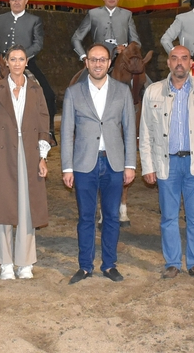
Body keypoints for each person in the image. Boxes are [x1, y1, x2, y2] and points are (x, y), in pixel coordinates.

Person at [140, 45, 194, 279]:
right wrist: (148, 166)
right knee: (168, 216)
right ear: (168, 63)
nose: (179, 63)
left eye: (184, 58)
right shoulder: (153, 92)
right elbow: (145, 132)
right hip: (167, 163)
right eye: (174, 58)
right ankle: (173, 262)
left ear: (191, 64)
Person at [61, 44, 136, 284]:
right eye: (93, 60)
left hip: (113, 163)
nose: (98, 64)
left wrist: (130, 164)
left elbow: (129, 129)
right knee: (85, 217)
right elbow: (66, 131)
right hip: (84, 164)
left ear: (109, 63)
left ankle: (109, 264)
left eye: (102, 60)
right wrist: (67, 167)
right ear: (86, 63)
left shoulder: (123, 91)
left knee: (112, 217)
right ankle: (85, 266)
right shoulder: (73, 93)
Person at [0, 45, 51, 279]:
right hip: (2, 153)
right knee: (2, 206)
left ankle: (25, 261)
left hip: (29, 153)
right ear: (6, 63)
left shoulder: (35, 90)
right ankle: (5, 263)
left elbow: (44, 124)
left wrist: (43, 157)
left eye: (21, 59)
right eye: (13, 59)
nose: (18, 63)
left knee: (26, 207)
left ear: (27, 62)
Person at [0, 0, 57, 143]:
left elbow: (38, 44)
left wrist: (23, 58)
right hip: (3, 64)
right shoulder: (0, 19)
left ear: (26, 0)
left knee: (48, 94)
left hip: (27, 63)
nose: (16, 2)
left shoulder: (34, 20)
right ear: (9, 1)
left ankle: (48, 131)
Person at [71, 0, 141, 61]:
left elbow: (136, 43)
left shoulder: (127, 14)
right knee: (84, 74)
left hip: (123, 58)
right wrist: (84, 57)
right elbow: (76, 38)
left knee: (141, 73)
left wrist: (126, 49)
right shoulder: (93, 14)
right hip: (98, 58)